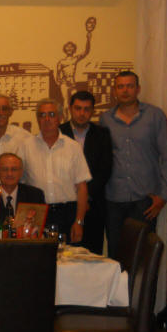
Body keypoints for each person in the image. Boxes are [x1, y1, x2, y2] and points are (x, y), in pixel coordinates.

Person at [100, 71, 167, 259]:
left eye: (130, 86)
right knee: (116, 254)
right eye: (120, 86)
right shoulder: (105, 119)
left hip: (145, 199)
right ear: (115, 91)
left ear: (138, 89)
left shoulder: (155, 116)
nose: (125, 90)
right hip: (114, 199)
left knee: (143, 256)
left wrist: (163, 196)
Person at [20, 99, 91, 242]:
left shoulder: (73, 147)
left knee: (69, 255)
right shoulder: (25, 147)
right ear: (37, 119)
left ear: (60, 118)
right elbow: (20, 185)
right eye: (42, 115)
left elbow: (82, 187)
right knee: (40, 255)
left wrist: (79, 222)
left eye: (51, 114)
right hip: (37, 214)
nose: (47, 119)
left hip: (68, 213)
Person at [59, 91, 112, 254]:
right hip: (66, 205)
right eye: (78, 108)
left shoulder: (102, 134)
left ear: (93, 111)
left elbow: (104, 170)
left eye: (87, 109)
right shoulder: (59, 132)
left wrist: (86, 197)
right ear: (70, 109)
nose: (82, 113)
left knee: (92, 256)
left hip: (93, 207)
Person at [0, 153, 45, 243]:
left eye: (14, 169)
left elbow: (40, 229)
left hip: (27, 247)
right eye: (4, 169)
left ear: (21, 172)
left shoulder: (35, 195)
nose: (9, 173)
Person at [0, 94, 31, 187]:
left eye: (4, 109)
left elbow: (29, 172)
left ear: (10, 111)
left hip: (17, 193)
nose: (0, 113)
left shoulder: (25, 138)